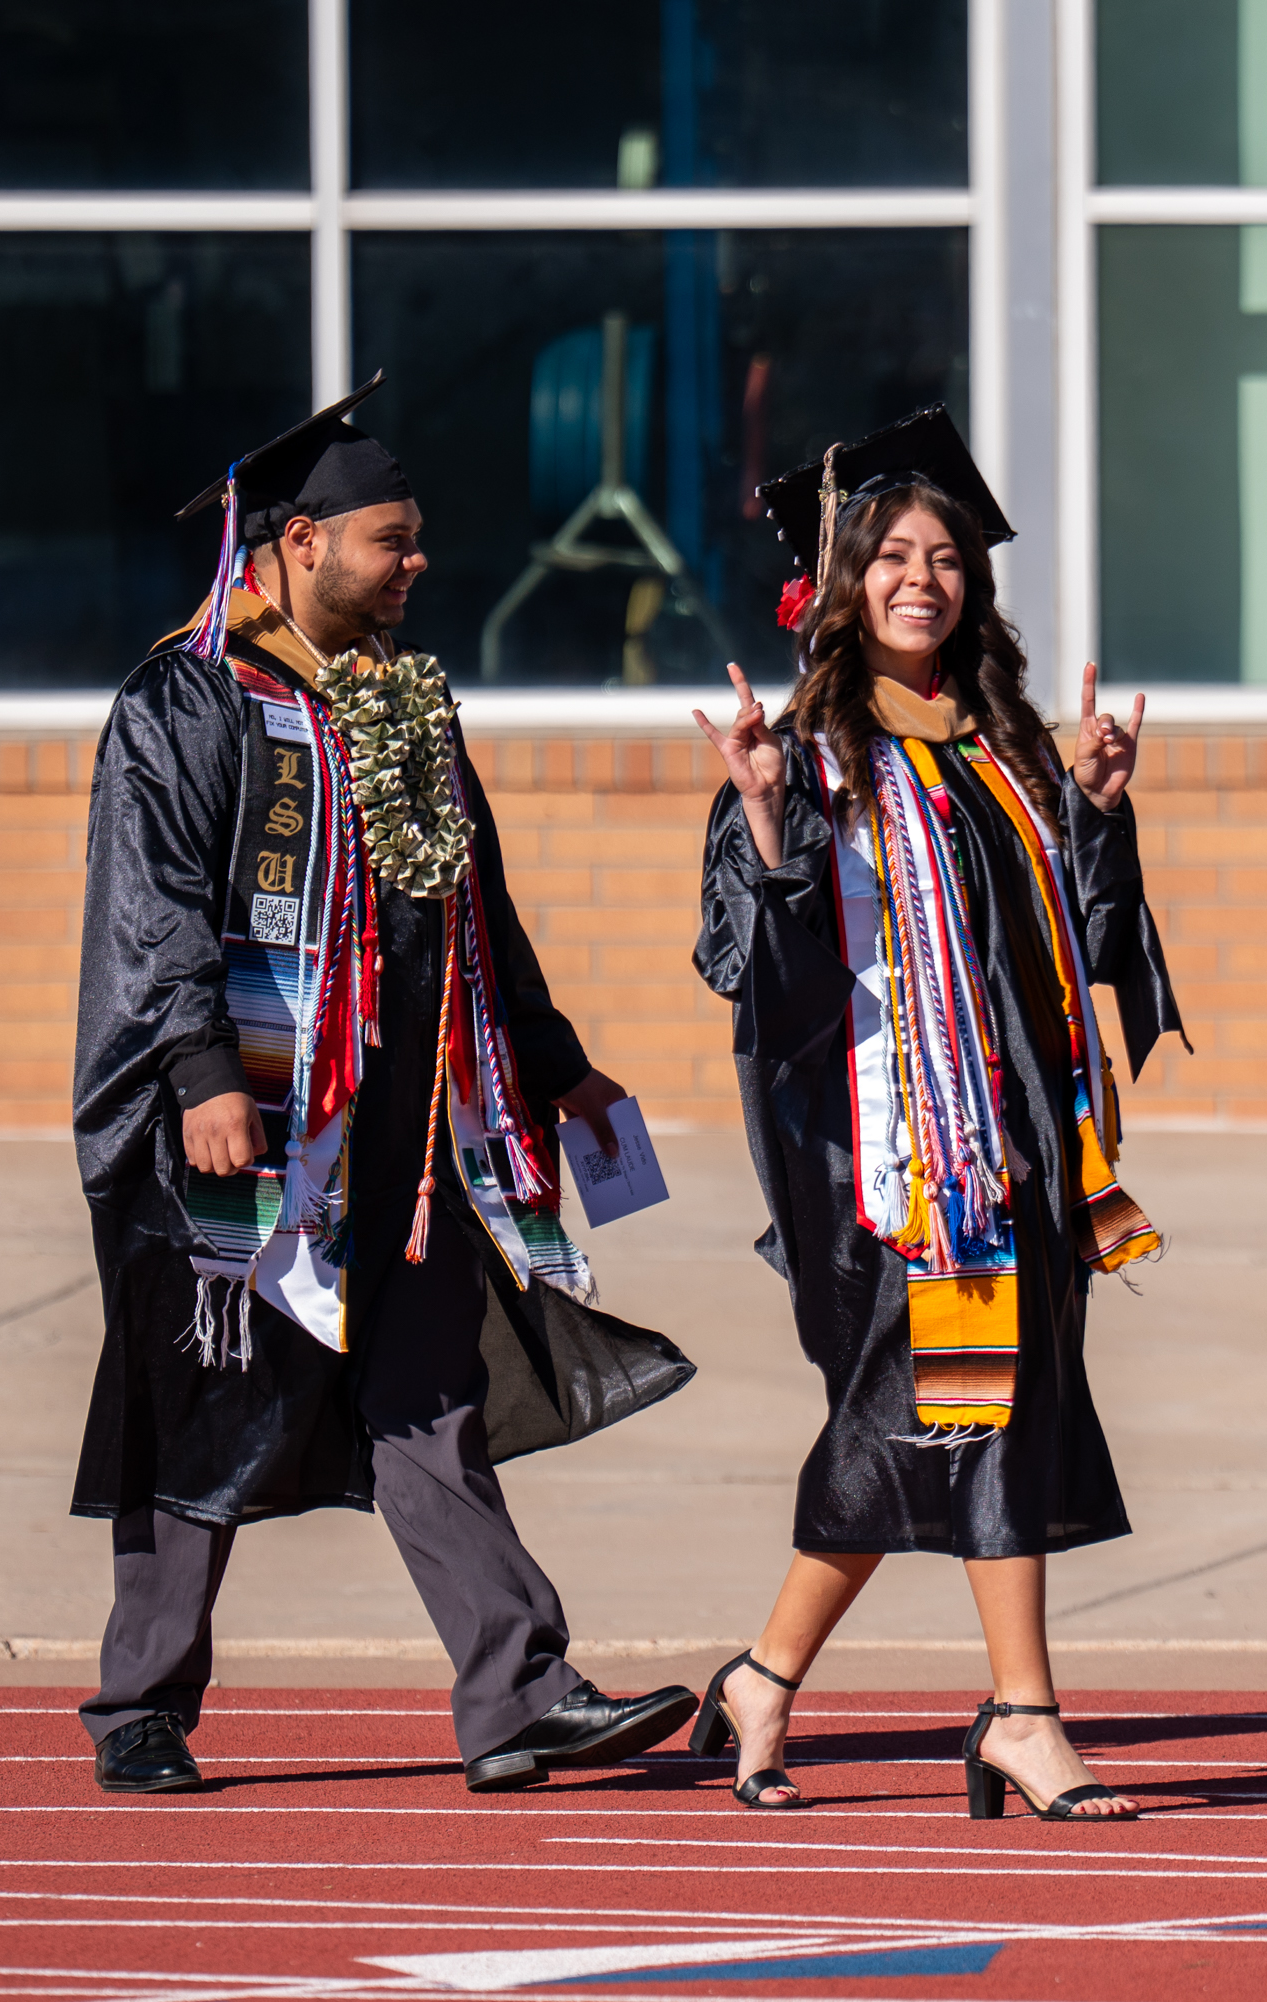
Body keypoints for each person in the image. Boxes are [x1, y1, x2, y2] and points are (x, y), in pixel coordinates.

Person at [72, 375, 701, 1797]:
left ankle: (519, 1691)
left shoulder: (402, 705)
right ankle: (141, 1705)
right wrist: (195, 1073)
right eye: (390, 540)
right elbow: (153, 902)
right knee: (206, 1398)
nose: (417, 562)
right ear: (298, 542)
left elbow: (476, 906)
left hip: (410, 1133)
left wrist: (550, 1062)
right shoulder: (189, 697)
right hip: (249, 1123)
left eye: (415, 539)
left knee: (433, 1402)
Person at [688, 410, 1183, 1819]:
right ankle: (1011, 1711)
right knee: (941, 1412)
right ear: (843, 580)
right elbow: (748, 964)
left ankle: (781, 1680)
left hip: (1017, 1137)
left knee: (964, 1416)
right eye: (895, 553)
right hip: (892, 1154)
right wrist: (769, 819)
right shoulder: (810, 754)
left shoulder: (1002, 744)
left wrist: (1096, 809)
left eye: (948, 555)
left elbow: (1073, 940)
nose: (925, 576)